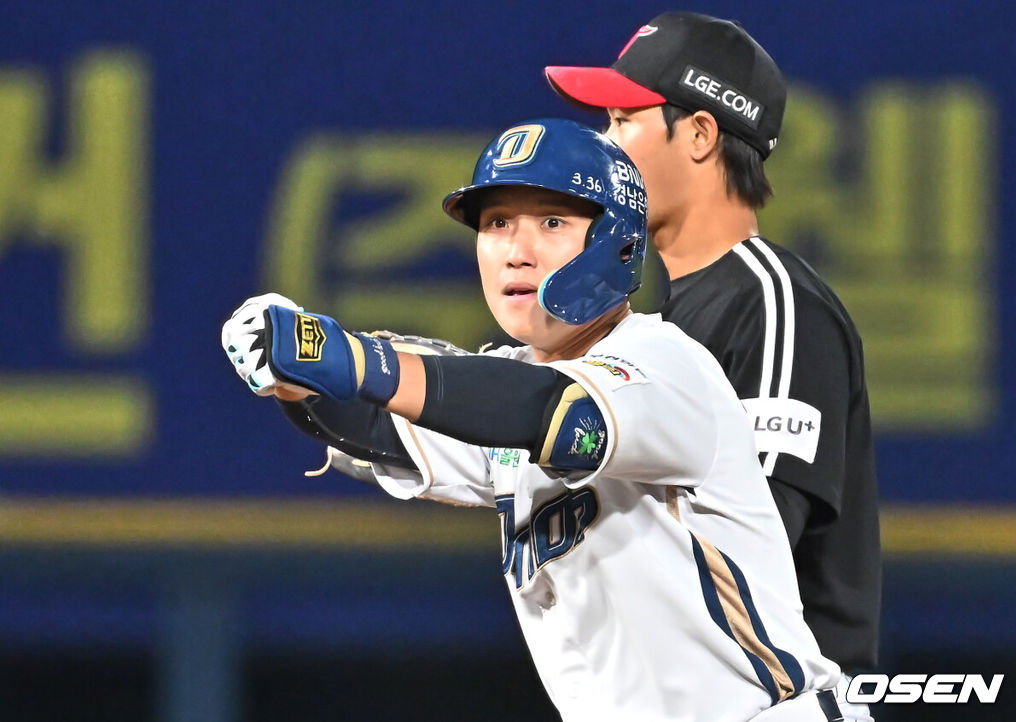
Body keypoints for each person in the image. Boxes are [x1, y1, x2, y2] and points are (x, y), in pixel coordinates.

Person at [221, 118, 843, 721]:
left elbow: (550, 410)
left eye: (551, 222)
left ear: (616, 239)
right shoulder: (503, 384)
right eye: (495, 224)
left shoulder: (665, 365)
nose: (516, 252)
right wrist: (297, 378)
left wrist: (355, 358)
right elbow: (380, 426)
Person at [544, 12, 880, 720]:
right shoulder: (642, 325)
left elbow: (750, 546)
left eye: (623, 119)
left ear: (698, 134)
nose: (604, 147)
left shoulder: (774, 305)